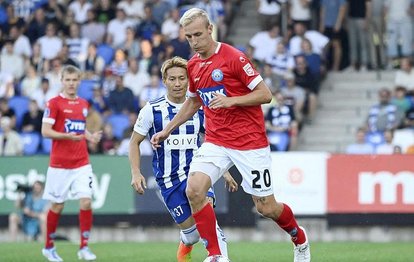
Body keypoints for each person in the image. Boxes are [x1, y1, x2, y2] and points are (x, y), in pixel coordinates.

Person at [150, 8, 311, 261]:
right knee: (194, 191)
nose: (193, 41)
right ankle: (216, 255)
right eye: (189, 37)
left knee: (266, 207)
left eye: (198, 35)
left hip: (249, 142)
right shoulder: (193, 65)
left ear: (210, 29)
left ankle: (298, 237)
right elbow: (193, 103)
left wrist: (231, 101)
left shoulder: (234, 58)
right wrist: (166, 130)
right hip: (216, 141)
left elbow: (265, 95)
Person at [129, 56, 237, 262]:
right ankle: (187, 239)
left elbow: (210, 140)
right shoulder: (152, 110)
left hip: (198, 172)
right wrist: (136, 172)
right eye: (172, 79)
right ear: (164, 81)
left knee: (208, 214)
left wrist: (224, 172)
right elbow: (134, 142)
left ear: (189, 80)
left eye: (182, 78)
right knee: (193, 235)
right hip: (168, 180)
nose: (177, 83)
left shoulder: (199, 108)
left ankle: (219, 257)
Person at [41, 65, 102, 262]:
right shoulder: (54, 103)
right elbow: (45, 131)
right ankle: (48, 247)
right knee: (57, 206)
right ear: (61, 80)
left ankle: (84, 247)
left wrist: (90, 136)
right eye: (68, 80)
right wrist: (66, 136)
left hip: (81, 163)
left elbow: (79, 129)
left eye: (75, 80)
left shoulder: (83, 104)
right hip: (59, 165)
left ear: (79, 81)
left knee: (86, 201)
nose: (71, 83)